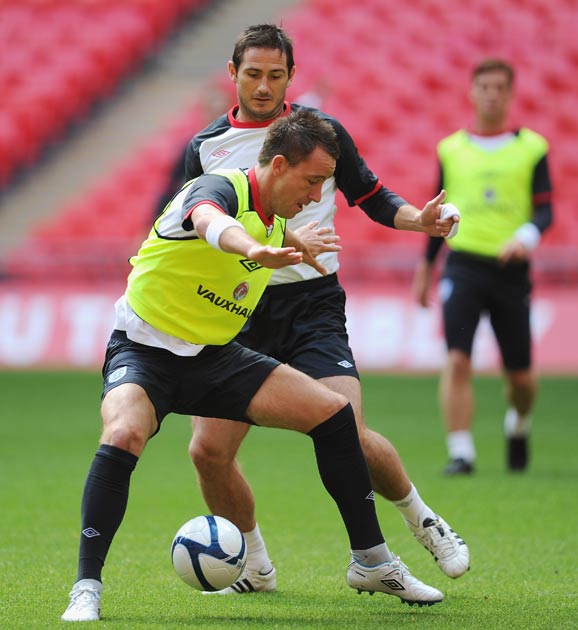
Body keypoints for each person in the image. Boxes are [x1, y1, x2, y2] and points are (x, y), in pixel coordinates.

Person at [61, 110, 453, 623]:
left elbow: (362, 201)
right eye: (312, 181)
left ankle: (371, 561)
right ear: (281, 164)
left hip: (213, 357)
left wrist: (287, 245)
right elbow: (209, 222)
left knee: (334, 415)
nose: (316, 196)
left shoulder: (280, 218)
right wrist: (257, 250)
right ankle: (86, 588)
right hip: (144, 351)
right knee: (123, 435)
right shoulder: (218, 187)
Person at [185, 24, 469, 596]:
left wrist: (421, 219)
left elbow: (370, 195)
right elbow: (194, 224)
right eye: (252, 74)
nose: (263, 86)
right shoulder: (204, 149)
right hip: (238, 310)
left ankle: (421, 521)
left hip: (312, 306)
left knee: (347, 431)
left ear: (291, 76)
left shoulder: (323, 134)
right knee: (208, 451)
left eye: (275, 74)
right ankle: (255, 566)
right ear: (233, 74)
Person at [413, 58, 553, 476]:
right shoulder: (450, 148)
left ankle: (518, 424)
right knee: (457, 359)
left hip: (511, 270)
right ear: (472, 92)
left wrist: (525, 237)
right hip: (463, 266)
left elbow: (546, 211)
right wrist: (425, 268)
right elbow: (436, 215)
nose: (491, 94)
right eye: (484, 86)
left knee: (522, 379)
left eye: (499, 87)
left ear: (510, 93)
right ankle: (461, 452)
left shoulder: (533, 148)